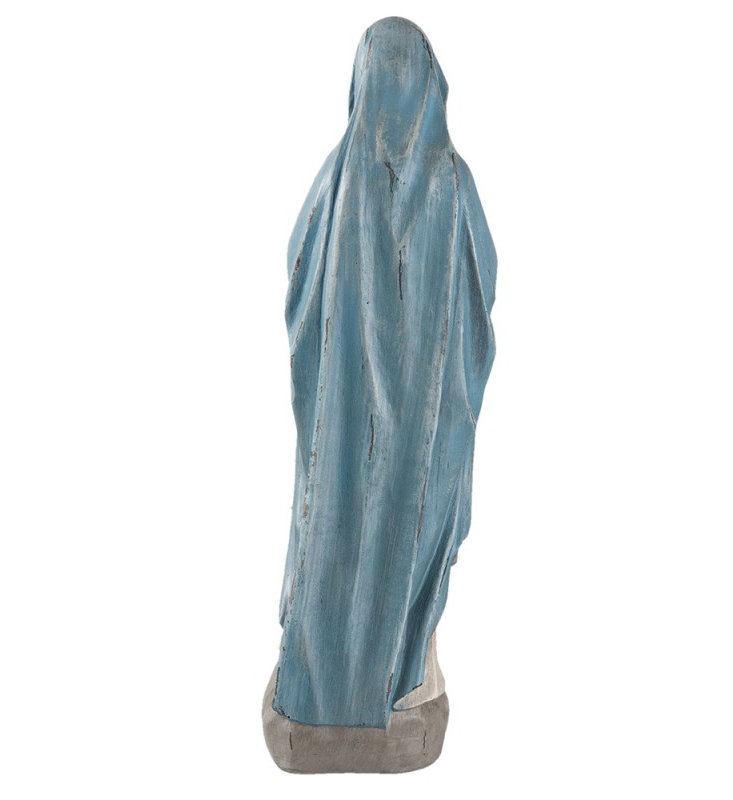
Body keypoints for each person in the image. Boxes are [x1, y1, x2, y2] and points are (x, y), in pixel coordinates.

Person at [272, 16, 497, 729]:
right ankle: (395, 680)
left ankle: (325, 692)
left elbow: (298, 280)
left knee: (330, 528)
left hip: (342, 432)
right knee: (415, 533)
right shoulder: (453, 185)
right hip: (424, 437)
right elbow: (482, 290)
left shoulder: (337, 181)